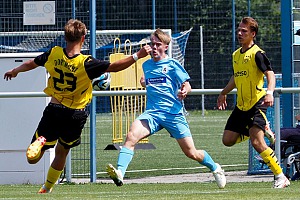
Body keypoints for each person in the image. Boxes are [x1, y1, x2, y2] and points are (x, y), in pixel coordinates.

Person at [3, 19, 152, 193]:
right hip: (75, 115)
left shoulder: (54, 53)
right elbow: (115, 67)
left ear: (65, 37)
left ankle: (41, 144)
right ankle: (47, 186)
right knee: (62, 151)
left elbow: (33, 63)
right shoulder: (86, 62)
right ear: (83, 38)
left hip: (54, 110)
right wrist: (137, 55)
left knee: (33, 159)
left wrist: (15, 71)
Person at [106, 28, 226, 189]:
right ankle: (120, 173)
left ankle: (215, 168)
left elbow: (187, 83)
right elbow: (148, 81)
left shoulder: (172, 64)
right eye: (152, 44)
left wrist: (185, 90)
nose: (153, 47)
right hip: (152, 114)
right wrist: (145, 82)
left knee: (191, 153)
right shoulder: (147, 65)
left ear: (165, 47)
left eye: (157, 44)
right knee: (131, 136)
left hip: (173, 114)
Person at [217, 17, 290, 188]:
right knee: (227, 140)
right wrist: (223, 93)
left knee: (257, 143)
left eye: (244, 31)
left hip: (257, 103)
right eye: (239, 30)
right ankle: (260, 129)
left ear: (253, 34)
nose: (240, 33)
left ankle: (281, 176)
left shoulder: (258, 54)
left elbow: (270, 74)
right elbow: (235, 78)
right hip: (242, 106)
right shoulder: (236, 55)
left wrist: (270, 93)